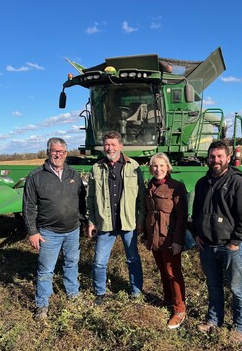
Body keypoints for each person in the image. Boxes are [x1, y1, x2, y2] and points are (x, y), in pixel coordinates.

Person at [192, 140, 242, 344]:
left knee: (237, 288)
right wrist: (196, 234)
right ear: (208, 159)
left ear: (228, 158)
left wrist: (235, 242)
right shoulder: (202, 183)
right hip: (207, 246)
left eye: (220, 156)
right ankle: (214, 321)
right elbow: (196, 213)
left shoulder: (239, 183)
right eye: (212, 156)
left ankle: (240, 327)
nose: (215, 160)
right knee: (214, 286)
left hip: (230, 247)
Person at [23, 137, 86, 320]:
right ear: (47, 152)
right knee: (45, 269)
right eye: (54, 151)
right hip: (49, 232)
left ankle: (73, 295)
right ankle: (42, 304)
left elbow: (81, 201)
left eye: (62, 152)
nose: (58, 155)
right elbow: (28, 206)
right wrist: (32, 232)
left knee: (71, 263)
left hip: (72, 230)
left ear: (66, 154)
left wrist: (83, 222)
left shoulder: (73, 174)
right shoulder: (36, 176)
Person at [87, 131, 145, 304]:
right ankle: (100, 292)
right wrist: (91, 221)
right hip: (105, 223)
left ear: (120, 146)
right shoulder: (96, 168)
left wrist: (141, 219)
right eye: (106, 144)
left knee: (133, 259)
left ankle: (136, 292)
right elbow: (90, 198)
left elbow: (141, 195)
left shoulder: (133, 166)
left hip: (128, 222)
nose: (109, 147)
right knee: (99, 262)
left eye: (113, 144)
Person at [145, 153, 188, 329]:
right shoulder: (150, 186)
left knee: (173, 272)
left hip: (170, 236)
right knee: (162, 269)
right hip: (155, 235)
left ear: (168, 167)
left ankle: (179, 309)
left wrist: (178, 241)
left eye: (162, 166)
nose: (158, 169)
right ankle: (168, 299)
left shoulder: (176, 187)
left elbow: (182, 216)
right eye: (155, 166)